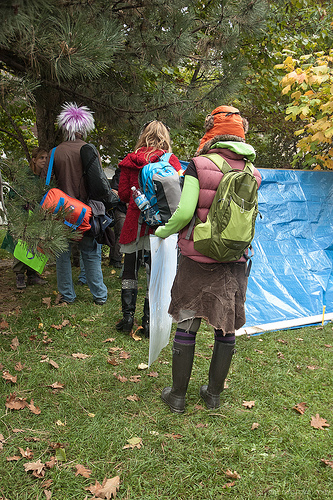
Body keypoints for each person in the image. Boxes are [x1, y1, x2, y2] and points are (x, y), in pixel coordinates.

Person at [155, 105, 262, 413]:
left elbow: (185, 212)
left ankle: (177, 396)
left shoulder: (199, 165)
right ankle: (213, 394)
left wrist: (163, 231)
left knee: (188, 322)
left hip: (197, 257)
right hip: (233, 260)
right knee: (225, 325)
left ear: (211, 134)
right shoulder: (252, 173)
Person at [116, 120, 182, 337]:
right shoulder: (170, 160)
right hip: (158, 224)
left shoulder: (129, 160)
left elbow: (124, 194)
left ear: (143, 135)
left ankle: (127, 318)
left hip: (134, 222)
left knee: (130, 270)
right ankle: (149, 320)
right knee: (154, 273)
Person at [41, 102, 107, 305]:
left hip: (61, 213)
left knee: (62, 256)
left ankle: (68, 296)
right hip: (86, 211)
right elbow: (99, 181)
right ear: (84, 128)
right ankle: (100, 296)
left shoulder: (54, 153)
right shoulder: (89, 150)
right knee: (91, 253)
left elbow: (46, 184)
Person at [13, 147, 48, 289]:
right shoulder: (26, 176)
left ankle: (32, 274)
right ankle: (19, 275)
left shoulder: (42, 178)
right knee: (23, 244)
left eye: (46, 158)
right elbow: (15, 195)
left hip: (38, 215)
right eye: (41, 158)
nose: (44, 161)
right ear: (34, 159)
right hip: (24, 215)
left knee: (37, 244)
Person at [108, 167, 126, 269]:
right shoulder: (120, 173)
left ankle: (115, 258)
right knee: (120, 233)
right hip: (120, 208)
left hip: (127, 207)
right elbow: (114, 191)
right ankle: (116, 259)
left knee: (120, 234)